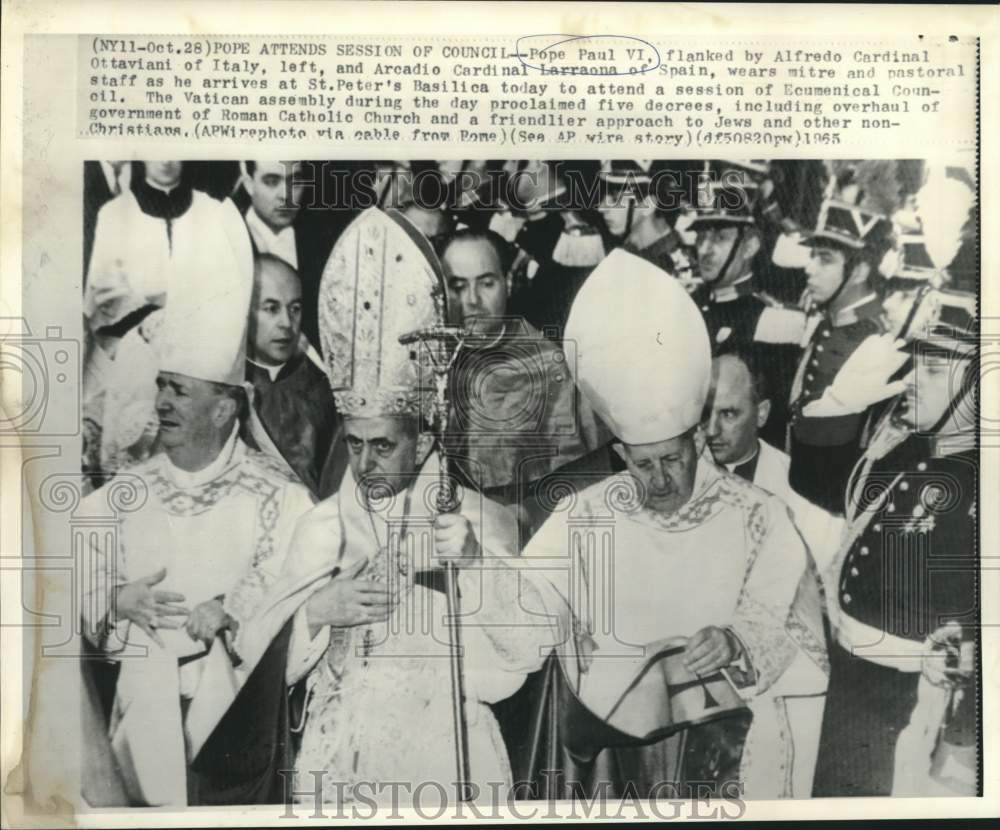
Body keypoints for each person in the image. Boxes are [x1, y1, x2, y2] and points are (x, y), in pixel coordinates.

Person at [196, 208, 560, 808]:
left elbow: (528, 652)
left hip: (442, 757)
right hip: (335, 762)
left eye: (384, 445)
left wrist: (474, 566)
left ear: (422, 439)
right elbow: (252, 662)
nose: (365, 464)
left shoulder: (472, 517)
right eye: (355, 443)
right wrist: (313, 614)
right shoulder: (320, 526)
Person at [514, 249, 828, 800]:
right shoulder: (587, 513)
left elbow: (796, 628)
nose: (657, 480)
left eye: (672, 460)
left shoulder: (758, 515)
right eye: (641, 464)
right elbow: (524, 603)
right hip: (613, 757)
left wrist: (736, 642)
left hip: (723, 751)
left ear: (698, 440)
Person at [80, 229, 315, 807]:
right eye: (161, 387)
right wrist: (114, 602)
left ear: (225, 406)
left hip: (239, 729)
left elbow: (306, 601)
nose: (161, 404)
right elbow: (52, 592)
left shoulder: (281, 499)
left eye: (179, 392)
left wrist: (237, 614)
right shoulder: (119, 497)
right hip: (137, 732)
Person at [806, 288, 978, 797]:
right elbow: (817, 484)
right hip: (847, 671)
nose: (910, 384)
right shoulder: (898, 443)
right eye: (914, 367)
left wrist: (965, 730)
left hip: (910, 698)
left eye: (929, 371)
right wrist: (837, 404)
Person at [82, 160, 253, 486]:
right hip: (133, 360)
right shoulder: (116, 214)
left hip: (201, 360)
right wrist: (148, 311)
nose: (166, 158)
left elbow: (227, 291)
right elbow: (102, 306)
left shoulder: (213, 213)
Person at [440, 229, 607, 526]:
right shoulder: (430, 364)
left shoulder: (549, 368)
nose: (472, 300)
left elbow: (583, 481)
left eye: (487, 283)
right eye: (457, 286)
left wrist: (519, 516)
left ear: (508, 282)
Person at [787, 161, 899, 513]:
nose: (809, 267)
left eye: (825, 259)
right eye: (812, 256)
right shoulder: (830, 316)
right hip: (799, 486)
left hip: (836, 504)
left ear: (860, 270)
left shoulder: (879, 337)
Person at [243, 254, 347, 498]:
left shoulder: (323, 389)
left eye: (295, 309)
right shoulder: (226, 388)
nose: (287, 324)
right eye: (271, 309)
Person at [236, 160, 342, 350]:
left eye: (296, 182)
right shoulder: (225, 239)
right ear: (249, 184)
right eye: (271, 181)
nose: (286, 196)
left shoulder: (325, 242)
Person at [596, 159, 698, 289]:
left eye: (615, 198)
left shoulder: (678, 270)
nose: (601, 207)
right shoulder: (627, 257)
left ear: (648, 204)